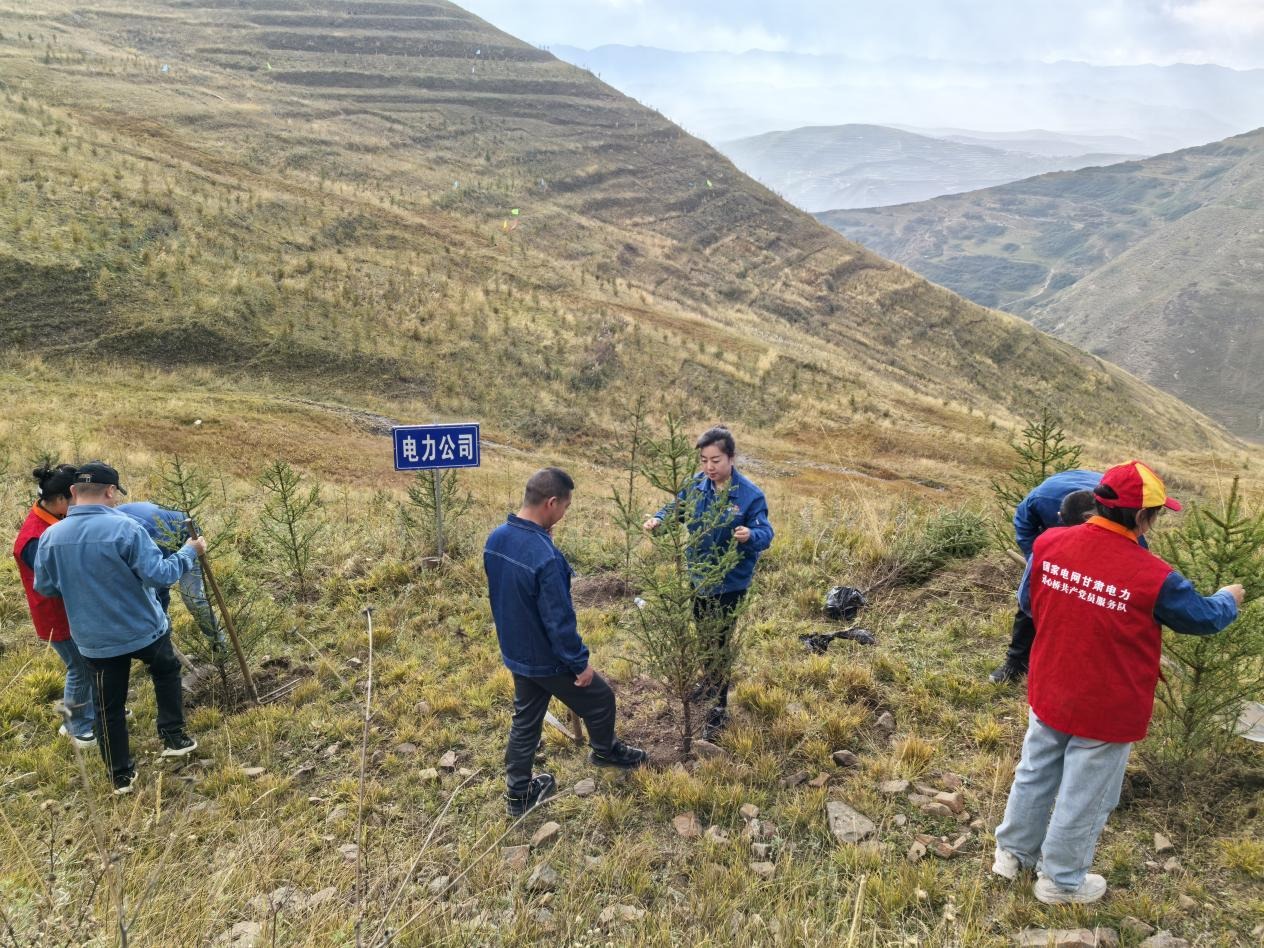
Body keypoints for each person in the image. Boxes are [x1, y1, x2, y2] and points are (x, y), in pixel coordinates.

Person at [992, 460, 1243, 904]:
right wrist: (1230, 597)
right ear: (1145, 517)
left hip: (1050, 683)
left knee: (1035, 771)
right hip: (1106, 705)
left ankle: (1011, 855)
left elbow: (1030, 603)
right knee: (1086, 794)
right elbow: (1204, 619)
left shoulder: (1049, 543)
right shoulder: (1155, 577)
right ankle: (1061, 882)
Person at [33, 461, 208, 794]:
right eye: (114, 494)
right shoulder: (126, 529)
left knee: (107, 705)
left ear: (73, 492)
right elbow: (160, 575)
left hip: (94, 640)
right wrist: (189, 552)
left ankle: (120, 776)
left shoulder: (50, 537)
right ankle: (174, 737)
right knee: (166, 669)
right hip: (144, 629)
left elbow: (46, 587)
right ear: (110, 491)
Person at [484, 467, 647, 816]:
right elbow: (558, 621)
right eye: (565, 507)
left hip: (515, 649)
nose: (565, 514)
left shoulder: (497, 538)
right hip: (548, 658)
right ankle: (605, 752)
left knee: (526, 718)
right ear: (552, 502)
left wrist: (542, 538)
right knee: (601, 698)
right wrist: (579, 663)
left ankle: (518, 795)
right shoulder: (546, 557)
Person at [643, 426, 773, 739]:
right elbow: (677, 507)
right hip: (698, 578)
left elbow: (765, 533)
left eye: (715, 460)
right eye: (704, 460)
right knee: (703, 637)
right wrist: (659, 520)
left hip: (730, 583)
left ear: (731, 457)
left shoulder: (750, 495)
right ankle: (708, 684)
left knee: (719, 644)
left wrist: (749, 535)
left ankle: (718, 707)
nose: (709, 467)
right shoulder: (697, 485)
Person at [989, 469, 1104, 684]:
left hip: (1100, 540)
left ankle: (1077, 667)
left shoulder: (1117, 515)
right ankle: (1016, 664)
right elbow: (1023, 524)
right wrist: (1039, 560)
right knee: (1032, 595)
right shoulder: (1043, 501)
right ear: (1060, 519)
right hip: (1049, 526)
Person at [12, 463, 96, 747]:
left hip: (72, 611)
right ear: (61, 499)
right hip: (56, 616)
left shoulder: (51, 520)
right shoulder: (34, 538)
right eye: (74, 499)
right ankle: (76, 727)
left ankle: (93, 713)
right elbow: (55, 579)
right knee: (80, 667)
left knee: (91, 663)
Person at [116, 501, 225, 651]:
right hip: (158, 526)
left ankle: (220, 647)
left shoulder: (153, 535)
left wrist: (160, 619)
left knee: (192, 597)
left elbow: (162, 580)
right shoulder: (113, 532)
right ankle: (169, 655)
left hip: (188, 540)